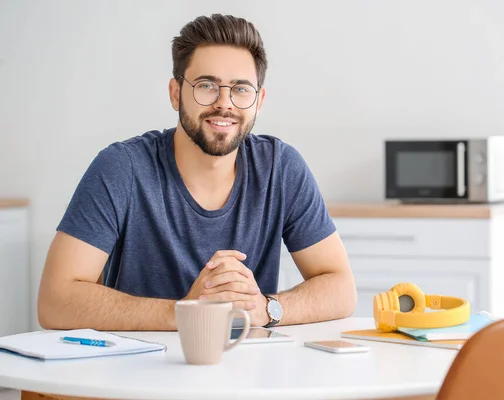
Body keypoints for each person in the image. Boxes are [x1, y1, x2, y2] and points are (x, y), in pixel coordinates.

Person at [37, 14, 357, 331]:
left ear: (259, 101)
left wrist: (266, 308)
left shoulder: (281, 168)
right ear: (176, 92)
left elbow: (341, 289)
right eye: (206, 86)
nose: (224, 104)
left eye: (241, 89)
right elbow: (55, 301)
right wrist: (185, 313)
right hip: (139, 373)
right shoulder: (121, 168)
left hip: (248, 371)